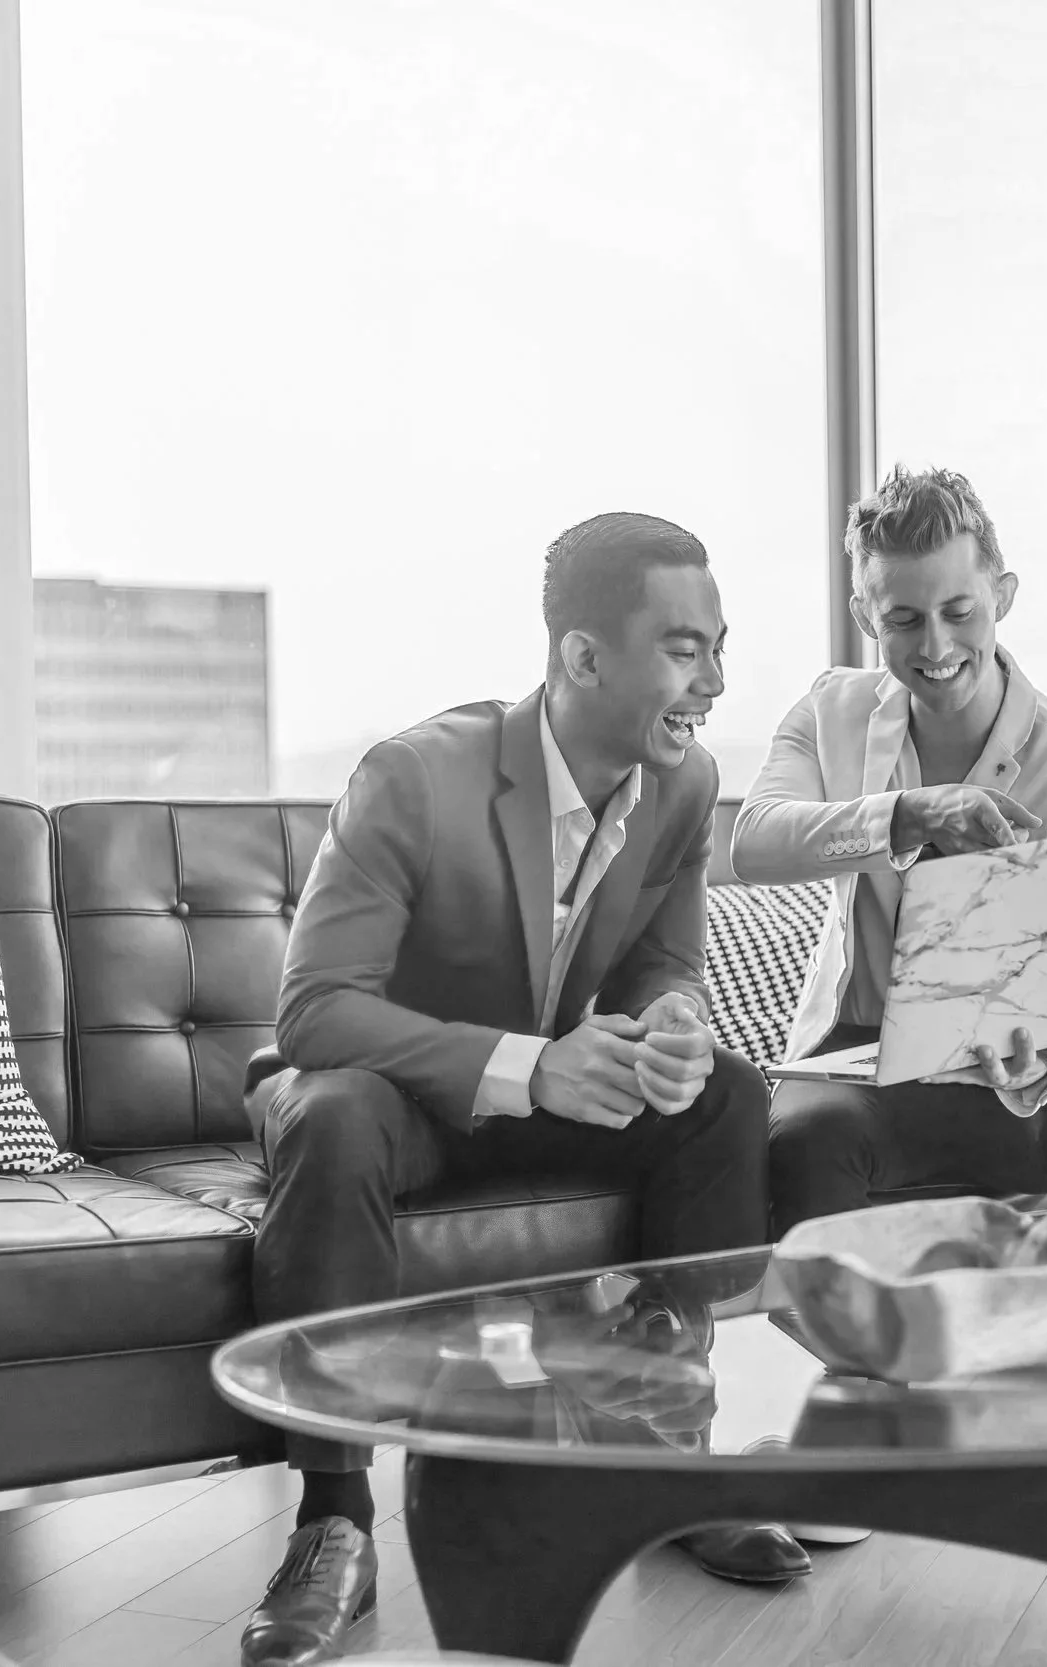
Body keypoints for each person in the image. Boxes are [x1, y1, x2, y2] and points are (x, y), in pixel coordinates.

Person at [234, 512, 800, 1667]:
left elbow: (665, 959)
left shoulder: (684, 784)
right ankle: (332, 1519)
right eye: (686, 648)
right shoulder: (414, 774)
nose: (717, 680)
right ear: (583, 657)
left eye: (720, 645)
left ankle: (666, 1454)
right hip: (386, 1094)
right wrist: (533, 1062)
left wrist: (674, 1023)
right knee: (333, 1117)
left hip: (539, 1090)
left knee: (725, 1095)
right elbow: (315, 1012)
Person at [732, 465, 1047, 1241]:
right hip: (862, 1058)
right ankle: (838, 1355)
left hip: (1030, 1064)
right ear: (865, 613)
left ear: (1004, 595)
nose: (935, 646)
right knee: (806, 1138)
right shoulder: (830, 714)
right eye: (903, 619)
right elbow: (755, 840)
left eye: (960, 611)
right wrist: (909, 814)